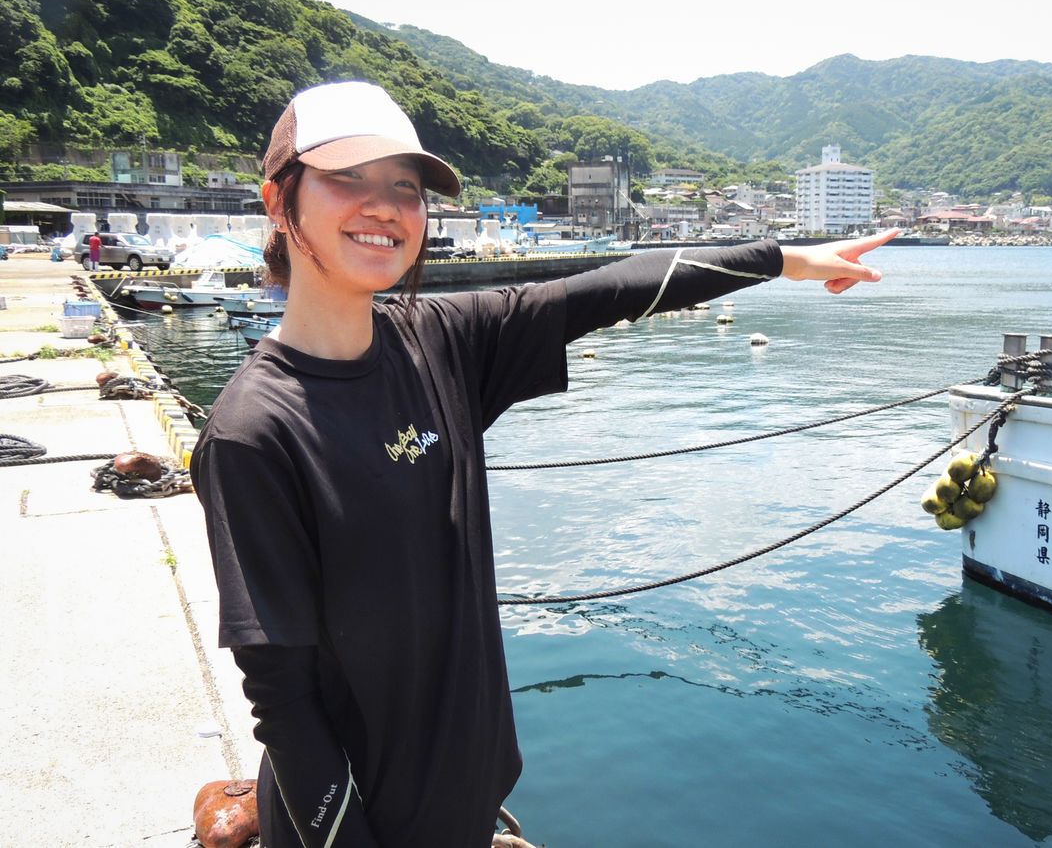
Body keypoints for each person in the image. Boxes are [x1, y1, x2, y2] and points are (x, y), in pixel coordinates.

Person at [190, 81, 899, 848]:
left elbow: (611, 289)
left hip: (466, 803)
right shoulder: (253, 432)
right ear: (279, 201)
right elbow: (285, 703)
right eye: (348, 179)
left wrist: (784, 260)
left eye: (405, 187)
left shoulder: (440, 342)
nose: (384, 207)